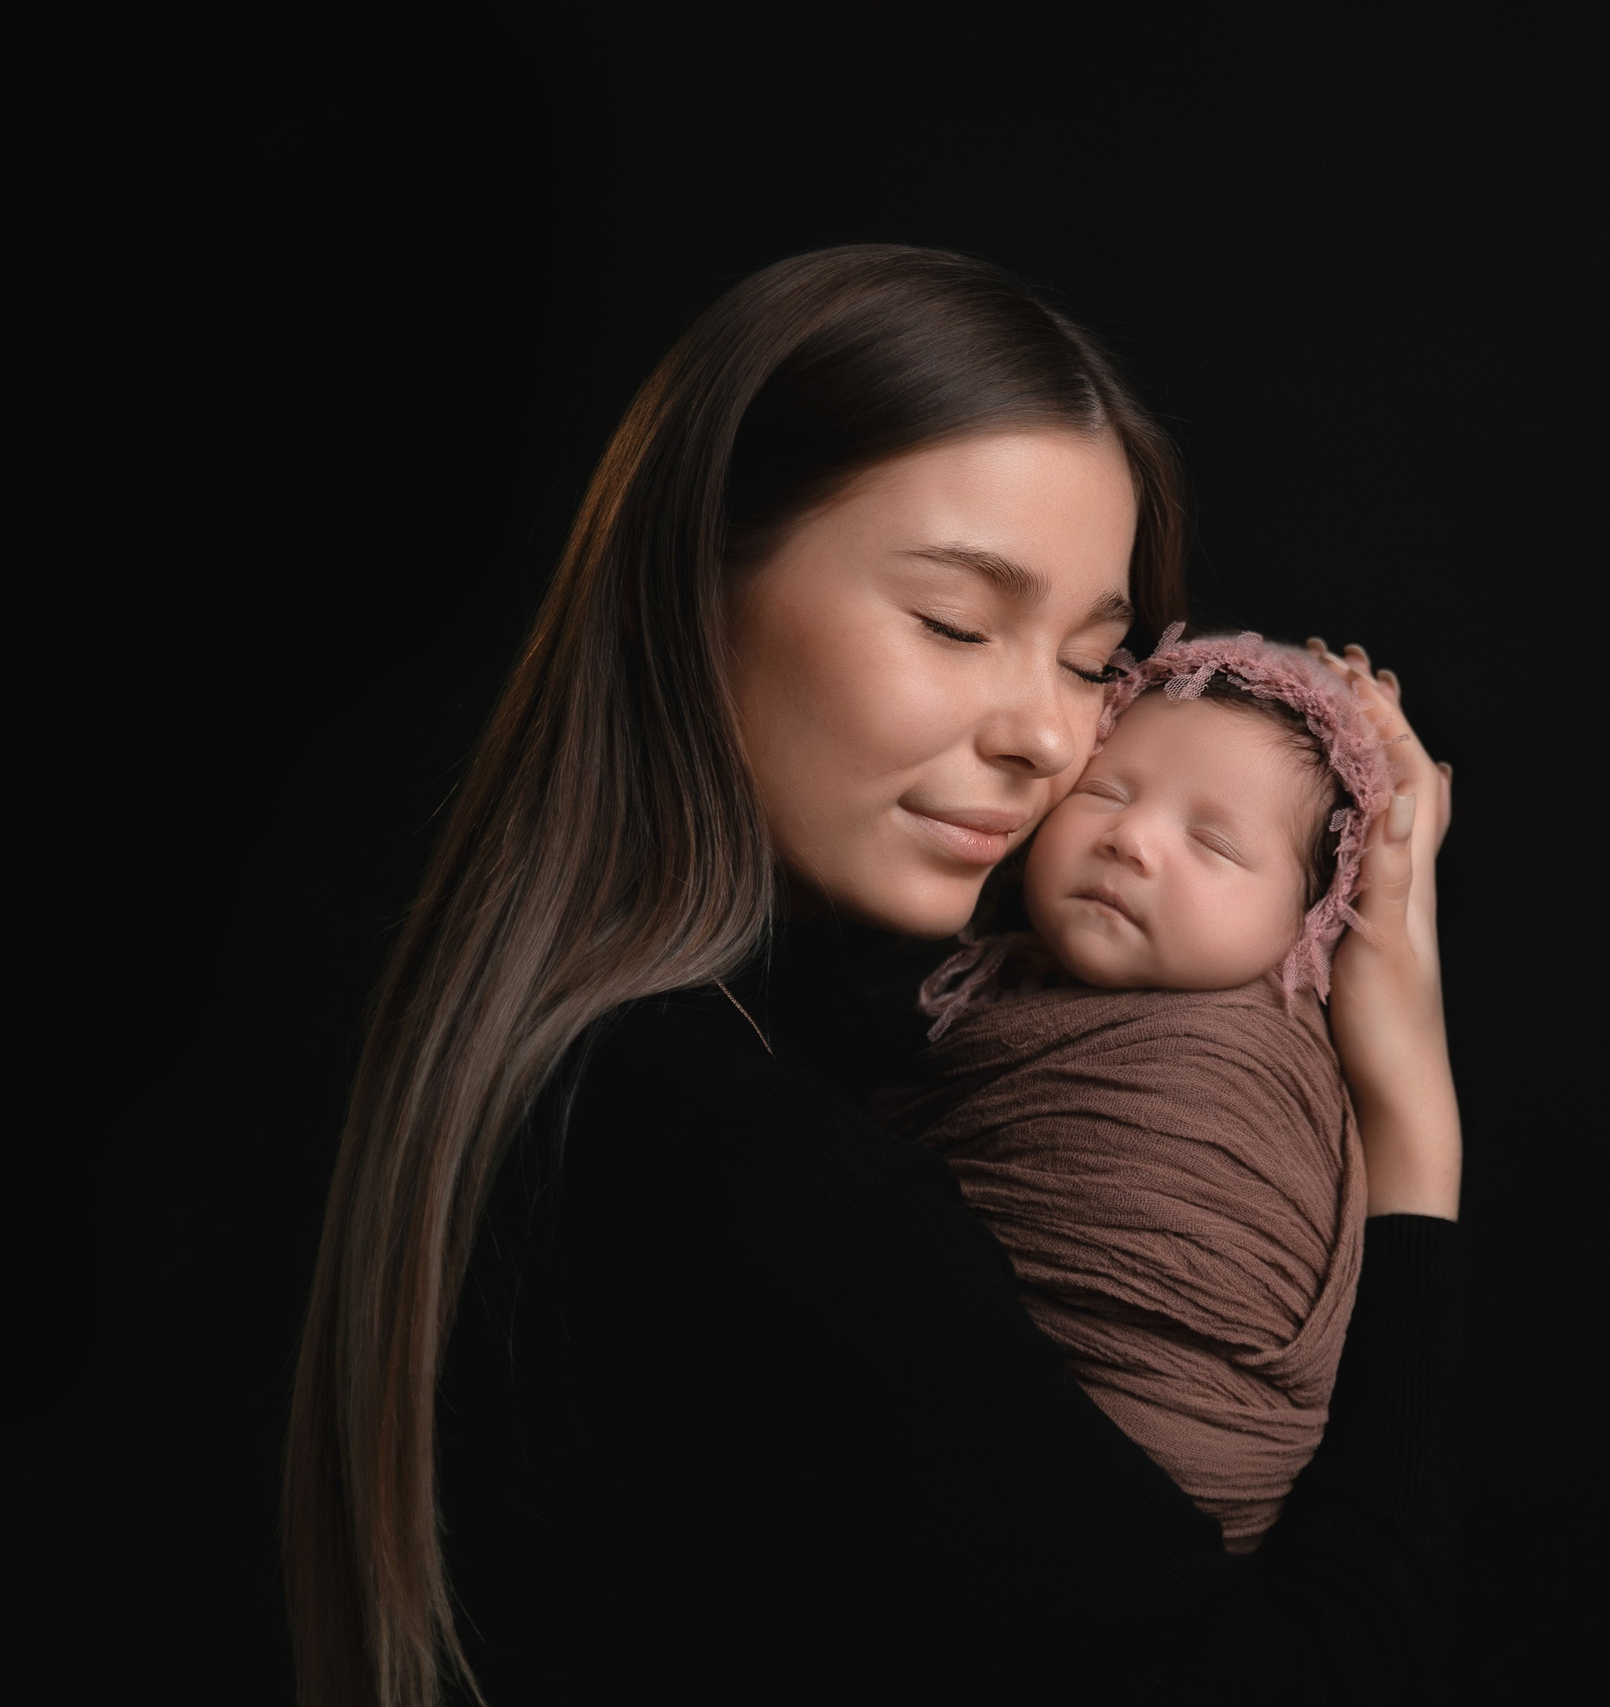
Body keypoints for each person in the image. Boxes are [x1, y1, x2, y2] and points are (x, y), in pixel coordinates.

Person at [282, 244, 1461, 1704]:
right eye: (957, 623)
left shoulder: (669, 1056)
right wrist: (1412, 1138)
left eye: (1095, 661)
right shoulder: (752, 1168)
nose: (1047, 734)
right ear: (691, 583)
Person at [880, 628, 1395, 1552]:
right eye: (1105, 791)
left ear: (1309, 922)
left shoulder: (1229, 1081)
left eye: (1213, 841)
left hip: (1111, 1534)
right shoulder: (992, 987)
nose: (1130, 839)